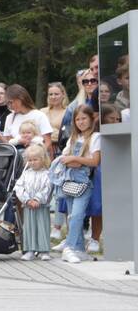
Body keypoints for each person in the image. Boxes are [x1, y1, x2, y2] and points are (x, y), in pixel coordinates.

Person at [59, 105, 100, 264]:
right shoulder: (73, 138)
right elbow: (64, 159)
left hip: (84, 181)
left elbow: (95, 161)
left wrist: (75, 159)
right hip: (70, 181)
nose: (81, 122)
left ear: (91, 119)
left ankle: (68, 248)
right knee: (71, 215)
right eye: (77, 119)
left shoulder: (95, 137)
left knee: (77, 215)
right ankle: (80, 249)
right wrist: (71, 161)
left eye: (84, 118)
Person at [0, 85, 53, 155]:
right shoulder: (10, 117)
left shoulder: (39, 115)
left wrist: (35, 155)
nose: (10, 106)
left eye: (11, 102)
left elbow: (48, 143)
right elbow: (8, 144)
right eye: (8, 103)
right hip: (17, 159)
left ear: (20, 99)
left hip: (36, 159)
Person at [14, 144, 52, 260]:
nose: (32, 162)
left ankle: (43, 250)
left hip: (41, 206)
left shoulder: (47, 174)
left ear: (43, 159)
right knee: (29, 227)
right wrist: (27, 199)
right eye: (30, 160)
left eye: (35, 159)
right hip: (28, 206)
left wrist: (37, 199)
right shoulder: (26, 174)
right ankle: (30, 250)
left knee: (42, 226)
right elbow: (19, 187)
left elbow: (48, 188)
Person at [40, 82, 69, 154]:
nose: (53, 97)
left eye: (56, 94)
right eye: (51, 94)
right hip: (42, 146)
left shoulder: (68, 112)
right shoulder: (42, 111)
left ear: (63, 95)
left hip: (61, 148)